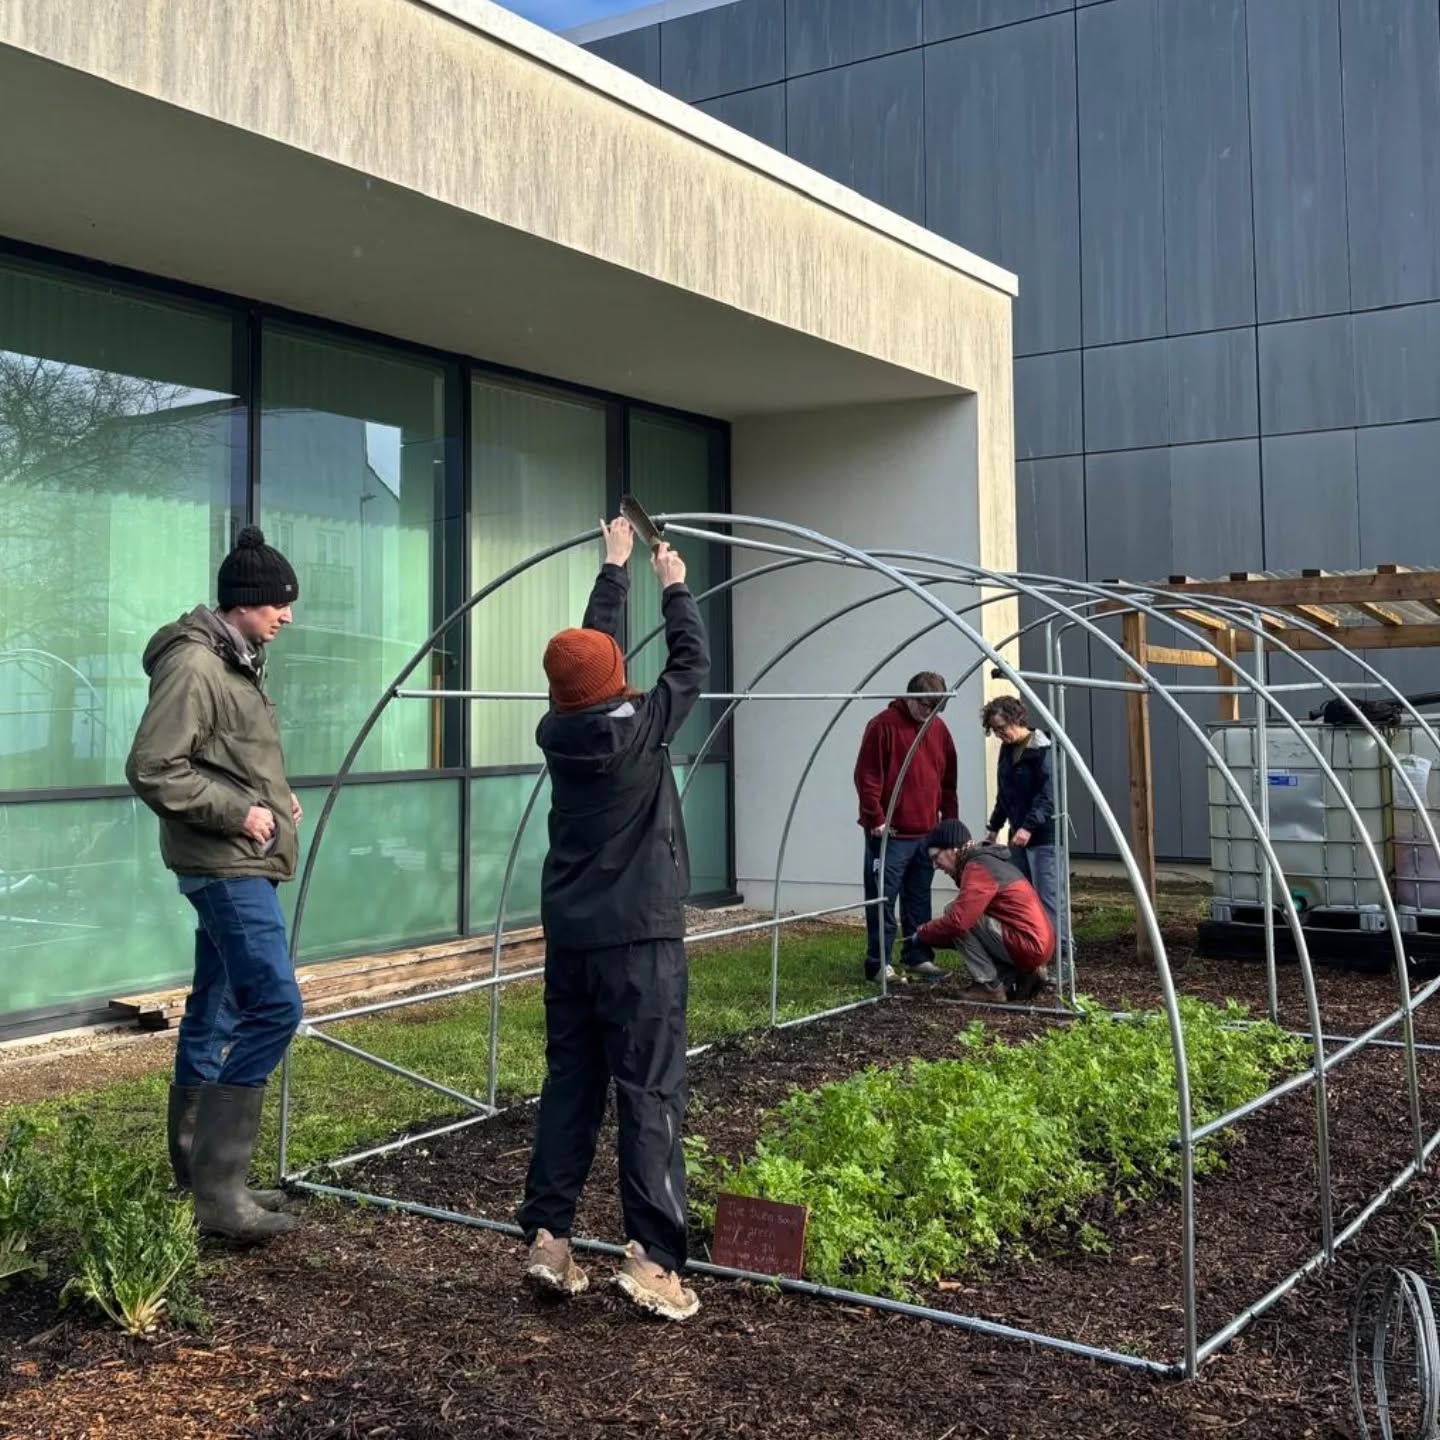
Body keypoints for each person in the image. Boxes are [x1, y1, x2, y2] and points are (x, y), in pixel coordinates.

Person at [517, 515, 709, 1323]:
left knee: (571, 1084)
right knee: (649, 1089)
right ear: (613, 684)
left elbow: (588, 659)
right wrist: (675, 583)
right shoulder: (640, 732)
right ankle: (654, 1258)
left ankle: (550, 1240)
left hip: (573, 939)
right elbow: (691, 662)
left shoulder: (562, 731)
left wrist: (617, 568)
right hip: (640, 942)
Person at [125, 526, 304, 1242]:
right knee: (276, 1005)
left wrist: (272, 796)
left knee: (218, 1006)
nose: (288, 615)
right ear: (247, 602)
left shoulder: (238, 659)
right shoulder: (196, 666)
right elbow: (155, 766)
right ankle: (220, 1195)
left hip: (236, 857)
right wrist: (241, 810)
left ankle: (198, 1176)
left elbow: (222, 754)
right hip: (224, 864)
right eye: (279, 605)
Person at [853, 672, 958, 983]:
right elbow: (867, 776)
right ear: (910, 698)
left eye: (937, 709)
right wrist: (876, 819)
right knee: (883, 899)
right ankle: (878, 962)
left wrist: (948, 825)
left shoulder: (938, 729)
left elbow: (948, 782)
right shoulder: (883, 725)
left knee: (918, 898)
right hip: (891, 834)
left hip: (925, 834)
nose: (930, 714)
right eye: (926, 707)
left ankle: (918, 956)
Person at [914, 820, 1054, 1002]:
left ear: (952, 849)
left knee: (955, 915)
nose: (935, 865)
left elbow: (959, 922)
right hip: (1036, 942)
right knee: (960, 917)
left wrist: (923, 933)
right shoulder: (987, 861)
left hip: (1028, 944)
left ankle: (989, 986)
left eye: (935, 857)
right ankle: (1015, 975)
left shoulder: (978, 867)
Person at [981, 695, 1060, 959]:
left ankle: (1061, 957)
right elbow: (1005, 794)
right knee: (1024, 898)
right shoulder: (1007, 750)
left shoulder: (1042, 747)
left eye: (1002, 728)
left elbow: (1049, 795)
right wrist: (994, 827)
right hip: (1018, 836)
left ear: (1017, 719)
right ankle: (1034, 955)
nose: (1000, 734)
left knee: (1049, 899)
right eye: (995, 730)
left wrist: (1028, 826)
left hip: (1043, 836)